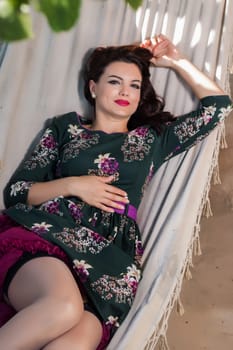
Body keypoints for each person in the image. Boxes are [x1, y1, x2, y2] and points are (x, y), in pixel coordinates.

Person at [0, 34, 232, 350]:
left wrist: (175, 60)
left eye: (135, 85)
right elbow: (17, 191)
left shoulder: (153, 139)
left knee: (73, 344)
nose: (125, 91)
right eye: (115, 81)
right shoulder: (65, 129)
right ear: (93, 88)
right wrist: (74, 185)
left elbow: (218, 106)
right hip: (50, 236)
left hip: (111, 262)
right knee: (62, 308)